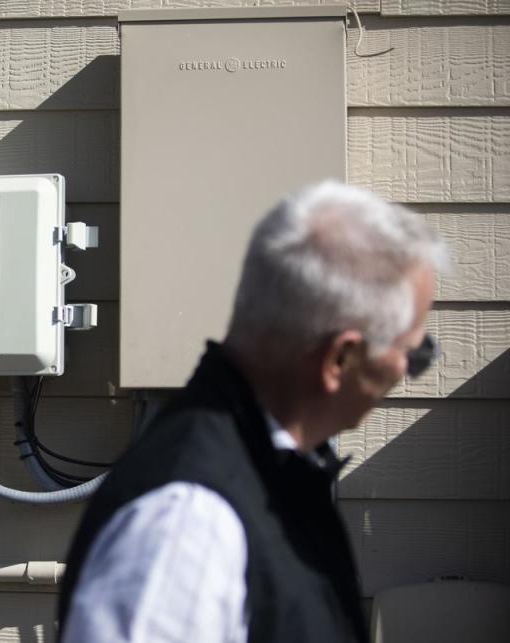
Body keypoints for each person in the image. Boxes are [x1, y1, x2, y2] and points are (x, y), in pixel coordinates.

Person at [58, 181, 449, 643]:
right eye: (413, 351)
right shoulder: (186, 526)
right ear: (339, 360)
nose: (409, 370)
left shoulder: (275, 469)